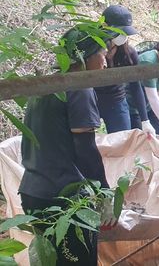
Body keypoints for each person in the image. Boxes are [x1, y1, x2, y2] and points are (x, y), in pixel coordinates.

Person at [19, 27, 117, 265]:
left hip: (34, 191)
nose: (105, 63)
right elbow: (85, 149)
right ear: (85, 56)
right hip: (63, 197)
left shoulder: (46, 84)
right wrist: (104, 194)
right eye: (102, 55)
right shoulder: (79, 87)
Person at [94, 5, 154, 136]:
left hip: (116, 101)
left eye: (125, 33)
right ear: (104, 27)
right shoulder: (90, 50)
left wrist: (145, 120)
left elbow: (136, 86)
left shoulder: (128, 53)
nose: (123, 36)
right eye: (119, 32)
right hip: (92, 100)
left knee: (123, 142)